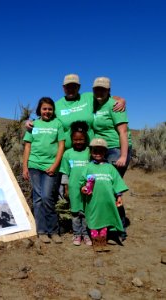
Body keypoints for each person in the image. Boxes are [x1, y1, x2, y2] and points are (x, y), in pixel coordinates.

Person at [26, 74, 126, 149]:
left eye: (74, 86)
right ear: (63, 88)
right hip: (66, 152)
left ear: (79, 87)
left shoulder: (88, 97)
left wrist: (121, 99)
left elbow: (106, 98)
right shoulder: (57, 105)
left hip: (89, 151)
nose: (71, 89)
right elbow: (46, 118)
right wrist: (30, 122)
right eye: (68, 86)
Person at [92, 77, 132, 240]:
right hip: (100, 149)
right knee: (100, 187)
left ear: (109, 90)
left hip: (116, 149)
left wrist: (123, 155)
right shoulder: (93, 103)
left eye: (103, 89)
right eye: (97, 89)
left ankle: (119, 228)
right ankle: (104, 225)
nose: (99, 92)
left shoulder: (114, 106)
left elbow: (123, 132)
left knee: (111, 189)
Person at [22, 97, 65, 244]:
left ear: (53, 110)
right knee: (38, 198)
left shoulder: (58, 124)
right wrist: (25, 166)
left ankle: (53, 230)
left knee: (47, 197)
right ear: (39, 110)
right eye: (44, 109)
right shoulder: (33, 124)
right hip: (34, 166)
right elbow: (27, 146)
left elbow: (61, 146)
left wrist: (54, 165)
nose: (47, 111)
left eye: (50, 109)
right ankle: (41, 231)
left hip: (50, 166)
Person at [80, 138, 128, 250]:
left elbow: (117, 182)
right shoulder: (88, 167)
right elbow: (82, 182)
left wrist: (119, 196)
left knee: (105, 219)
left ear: (105, 152)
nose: (97, 154)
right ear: (91, 152)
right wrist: (83, 188)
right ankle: (96, 243)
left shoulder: (110, 168)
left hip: (108, 201)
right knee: (93, 219)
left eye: (100, 151)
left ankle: (103, 241)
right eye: (95, 151)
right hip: (93, 200)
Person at [59, 121, 92, 246]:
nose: (78, 142)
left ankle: (86, 234)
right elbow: (65, 173)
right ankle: (77, 234)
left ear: (85, 139)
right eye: (75, 140)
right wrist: (66, 188)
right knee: (75, 212)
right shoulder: (68, 154)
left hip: (88, 188)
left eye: (81, 139)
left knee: (86, 211)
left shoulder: (89, 152)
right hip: (73, 188)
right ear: (72, 139)